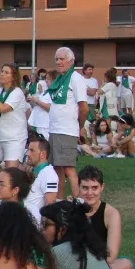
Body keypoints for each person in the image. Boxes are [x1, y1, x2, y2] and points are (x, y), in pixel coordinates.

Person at [32, 46, 85, 199]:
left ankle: (78, 202)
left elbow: (84, 108)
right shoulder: (60, 79)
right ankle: (60, 200)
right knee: (57, 169)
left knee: (69, 168)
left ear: (71, 60)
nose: (59, 62)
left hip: (67, 130)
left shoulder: (75, 78)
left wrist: (79, 126)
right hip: (55, 129)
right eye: (56, 59)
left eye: (62, 59)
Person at [74, 164, 132, 269]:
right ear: (78, 187)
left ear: (102, 187)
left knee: (125, 265)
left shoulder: (111, 214)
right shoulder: (71, 209)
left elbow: (112, 254)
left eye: (94, 188)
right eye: (85, 188)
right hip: (75, 262)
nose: (90, 193)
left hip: (100, 263)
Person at [22, 134, 62, 222]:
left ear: (42, 154)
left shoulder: (49, 174)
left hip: (33, 223)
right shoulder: (34, 171)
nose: (28, 153)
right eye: (28, 150)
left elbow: (50, 205)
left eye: (32, 150)